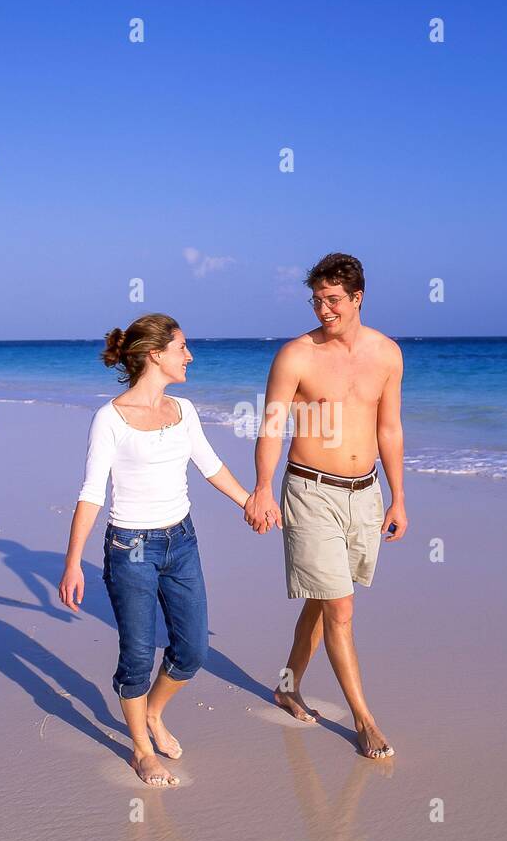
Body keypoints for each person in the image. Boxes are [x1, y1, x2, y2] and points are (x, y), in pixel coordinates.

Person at [59, 314, 256, 787]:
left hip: (181, 541)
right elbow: (91, 492)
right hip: (130, 548)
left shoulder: (184, 410)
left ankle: (152, 712)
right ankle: (141, 751)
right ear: (156, 355)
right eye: (182, 347)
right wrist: (72, 564)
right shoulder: (109, 418)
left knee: (192, 650)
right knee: (138, 656)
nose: (189, 356)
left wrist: (251, 503)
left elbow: (210, 466)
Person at [244, 252, 407, 759]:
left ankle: (288, 686)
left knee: (324, 597)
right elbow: (272, 425)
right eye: (317, 300)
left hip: (365, 493)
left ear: (358, 298)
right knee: (340, 607)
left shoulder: (387, 354)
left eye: (333, 300)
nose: (324, 310)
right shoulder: (297, 355)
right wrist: (262, 488)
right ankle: (365, 719)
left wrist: (399, 496)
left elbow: (389, 428)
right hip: (310, 492)